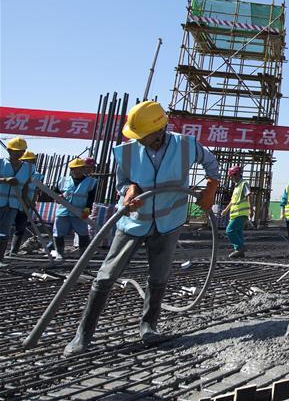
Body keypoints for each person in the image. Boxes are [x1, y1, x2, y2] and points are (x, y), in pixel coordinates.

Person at [64, 101, 219, 355]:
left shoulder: (186, 145)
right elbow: (122, 182)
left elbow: (211, 164)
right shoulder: (126, 151)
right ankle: (83, 336)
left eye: (143, 134)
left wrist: (211, 187)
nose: (139, 139)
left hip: (169, 223)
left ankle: (149, 327)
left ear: (160, 130)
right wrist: (129, 190)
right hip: (133, 221)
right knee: (106, 275)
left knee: (158, 276)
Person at [52, 158, 98, 260]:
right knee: (58, 233)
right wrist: (58, 197)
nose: (77, 171)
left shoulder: (91, 182)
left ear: (83, 169)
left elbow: (91, 198)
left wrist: (87, 210)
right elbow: (54, 193)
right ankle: (59, 253)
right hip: (63, 211)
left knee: (83, 233)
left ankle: (82, 255)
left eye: (79, 169)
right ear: (71, 170)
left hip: (80, 212)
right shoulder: (62, 180)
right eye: (74, 169)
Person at [0, 137, 34, 263]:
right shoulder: (1, 163)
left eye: (21, 151)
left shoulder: (29, 168)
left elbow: (25, 186)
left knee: (4, 232)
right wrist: (4, 180)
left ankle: (0, 259)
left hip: (13, 204)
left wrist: (26, 201)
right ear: (8, 150)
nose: (19, 153)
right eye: (16, 151)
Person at [221, 166, 250, 258]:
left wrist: (251, 210)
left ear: (236, 175)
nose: (231, 179)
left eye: (231, 176)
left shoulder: (244, 184)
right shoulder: (237, 187)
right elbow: (233, 201)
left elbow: (249, 195)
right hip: (236, 214)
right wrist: (226, 210)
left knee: (230, 230)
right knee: (238, 232)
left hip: (241, 214)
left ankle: (239, 248)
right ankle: (239, 251)